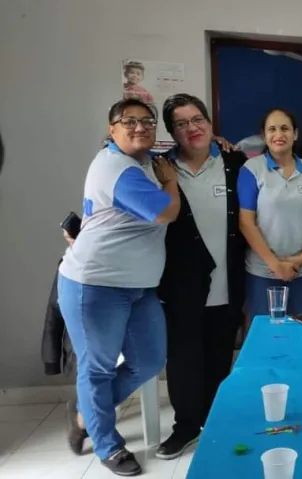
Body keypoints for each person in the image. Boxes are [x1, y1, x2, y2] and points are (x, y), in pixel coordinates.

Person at [58, 98, 180, 476]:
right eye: (129, 121)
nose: (140, 127)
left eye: (147, 121)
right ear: (112, 130)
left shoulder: (143, 161)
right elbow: (166, 211)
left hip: (138, 286)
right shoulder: (118, 168)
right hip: (96, 285)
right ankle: (108, 445)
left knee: (150, 360)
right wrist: (171, 182)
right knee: (98, 369)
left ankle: (85, 411)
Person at [155, 93, 247, 460]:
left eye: (197, 120)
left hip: (228, 280)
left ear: (210, 123)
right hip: (181, 284)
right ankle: (185, 427)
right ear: (171, 132)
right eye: (181, 123)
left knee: (220, 356)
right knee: (182, 360)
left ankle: (214, 422)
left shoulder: (235, 163)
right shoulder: (160, 169)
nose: (191, 128)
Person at [238, 108, 302, 324]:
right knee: (266, 331)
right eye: (272, 129)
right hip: (263, 271)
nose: (279, 134)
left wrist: (301, 259)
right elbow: (246, 222)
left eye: (285, 128)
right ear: (264, 136)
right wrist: (275, 264)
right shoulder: (252, 169)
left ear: (295, 134)